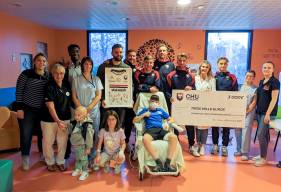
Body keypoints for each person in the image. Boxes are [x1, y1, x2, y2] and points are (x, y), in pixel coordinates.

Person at [16, 53, 49, 171]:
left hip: (42, 111)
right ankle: (25, 158)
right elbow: (19, 91)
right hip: (27, 109)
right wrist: (19, 108)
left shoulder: (48, 75)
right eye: (39, 60)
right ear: (34, 62)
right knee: (26, 134)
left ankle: (42, 155)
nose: (42, 63)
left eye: (44, 61)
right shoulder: (26, 74)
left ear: (46, 63)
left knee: (42, 134)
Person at [133, 95, 178, 172]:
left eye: (156, 102)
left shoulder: (161, 110)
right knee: (145, 139)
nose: (154, 103)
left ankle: (168, 163)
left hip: (160, 130)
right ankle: (158, 163)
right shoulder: (145, 110)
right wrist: (143, 115)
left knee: (174, 137)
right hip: (150, 130)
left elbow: (171, 119)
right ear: (149, 102)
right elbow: (134, 120)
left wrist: (167, 123)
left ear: (158, 103)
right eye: (152, 101)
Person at [166, 53, 199, 157]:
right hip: (174, 105)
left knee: (190, 125)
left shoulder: (191, 76)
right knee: (174, 125)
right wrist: (169, 97)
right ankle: (176, 144)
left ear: (186, 62)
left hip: (187, 106)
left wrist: (191, 89)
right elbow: (166, 90)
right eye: (180, 61)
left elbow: (195, 90)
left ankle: (191, 145)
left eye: (184, 61)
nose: (182, 63)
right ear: (177, 61)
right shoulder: (171, 75)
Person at [41, 64, 71, 172]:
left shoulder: (67, 85)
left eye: (62, 73)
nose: (59, 75)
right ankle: (50, 162)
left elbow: (69, 103)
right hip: (49, 120)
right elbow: (50, 106)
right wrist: (57, 120)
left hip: (65, 119)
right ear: (52, 74)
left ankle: (60, 161)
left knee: (63, 142)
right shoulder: (48, 86)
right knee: (48, 142)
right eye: (56, 73)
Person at [72, 56, 103, 160]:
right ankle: (82, 155)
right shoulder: (76, 80)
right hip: (80, 112)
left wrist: (88, 108)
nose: (88, 66)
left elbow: (99, 95)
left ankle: (93, 153)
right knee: (82, 133)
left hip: (93, 111)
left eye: (90, 64)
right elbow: (74, 96)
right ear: (82, 65)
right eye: (86, 64)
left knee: (94, 132)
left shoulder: (96, 79)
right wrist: (81, 109)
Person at [97, 44, 130, 129]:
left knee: (120, 123)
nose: (119, 54)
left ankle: (119, 142)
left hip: (121, 101)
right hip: (106, 100)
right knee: (105, 123)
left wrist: (130, 99)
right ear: (112, 53)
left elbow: (130, 85)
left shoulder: (127, 68)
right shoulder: (103, 67)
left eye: (121, 52)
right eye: (116, 52)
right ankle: (103, 142)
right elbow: (98, 84)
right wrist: (102, 98)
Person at [254, 61, 280, 167]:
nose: (266, 69)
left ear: (273, 70)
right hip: (260, 112)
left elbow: (274, 100)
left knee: (260, 134)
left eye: (269, 68)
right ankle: (261, 154)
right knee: (263, 134)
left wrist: (268, 114)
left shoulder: (275, 82)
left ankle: (263, 158)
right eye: (264, 67)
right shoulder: (262, 81)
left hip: (267, 113)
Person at [211, 57, 238, 157]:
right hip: (215, 106)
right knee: (215, 127)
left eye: (224, 64)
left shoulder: (232, 77)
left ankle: (224, 146)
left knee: (226, 127)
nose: (222, 66)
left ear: (227, 65)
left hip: (227, 107)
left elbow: (235, 93)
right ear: (217, 64)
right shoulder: (213, 76)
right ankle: (215, 145)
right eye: (221, 64)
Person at [195, 60, 216, 156]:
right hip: (196, 105)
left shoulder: (212, 79)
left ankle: (203, 145)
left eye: (206, 67)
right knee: (197, 125)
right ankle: (198, 144)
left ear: (209, 69)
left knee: (205, 126)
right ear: (200, 68)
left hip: (207, 105)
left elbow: (214, 93)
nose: (204, 68)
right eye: (202, 66)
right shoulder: (195, 78)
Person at [94, 110, 126, 174]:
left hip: (116, 153)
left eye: (113, 119)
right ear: (106, 121)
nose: (111, 122)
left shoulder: (120, 131)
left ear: (117, 120)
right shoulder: (103, 131)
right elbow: (99, 144)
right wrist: (98, 155)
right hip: (106, 153)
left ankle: (116, 164)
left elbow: (123, 144)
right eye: (109, 119)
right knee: (96, 161)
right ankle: (107, 162)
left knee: (121, 158)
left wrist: (121, 151)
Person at [234, 70, 257, 161]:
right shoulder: (239, 87)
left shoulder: (255, 88)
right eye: (247, 76)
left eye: (251, 76)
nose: (249, 78)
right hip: (238, 112)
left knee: (246, 131)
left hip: (249, 113)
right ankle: (239, 150)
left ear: (253, 78)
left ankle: (245, 152)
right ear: (245, 76)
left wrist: (247, 111)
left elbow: (254, 102)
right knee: (237, 131)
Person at [70, 106, 94, 181]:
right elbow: (72, 130)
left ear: (85, 115)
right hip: (76, 145)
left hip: (83, 146)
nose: (76, 117)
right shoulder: (77, 122)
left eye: (78, 115)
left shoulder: (87, 125)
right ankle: (78, 169)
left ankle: (85, 171)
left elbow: (89, 137)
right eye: (75, 115)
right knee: (78, 158)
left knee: (83, 159)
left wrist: (88, 147)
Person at [123, 49, 140, 151]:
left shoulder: (137, 69)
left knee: (129, 122)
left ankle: (126, 142)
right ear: (126, 56)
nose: (132, 58)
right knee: (121, 123)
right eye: (130, 56)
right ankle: (120, 144)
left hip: (132, 100)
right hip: (121, 100)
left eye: (134, 56)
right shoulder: (122, 66)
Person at [154, 44, 175, 111]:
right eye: (160, 51)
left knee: (167, 113)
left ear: (167, 52)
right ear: (157, 52)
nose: (162, 52)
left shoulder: (171, 65)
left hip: (167, 94)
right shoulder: (153, 64)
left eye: (164, 50)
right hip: (155, 93)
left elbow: (174, 80)